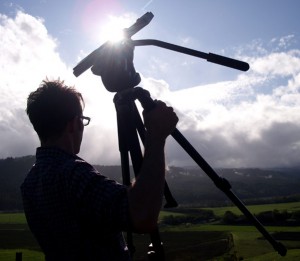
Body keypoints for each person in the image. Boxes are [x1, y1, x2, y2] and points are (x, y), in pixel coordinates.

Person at [21, 79, 178, 260]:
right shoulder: (73, 174)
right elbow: (142, 215)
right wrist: (156, 136)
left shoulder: (29, 183)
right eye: (82, 120)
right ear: (75, 124)